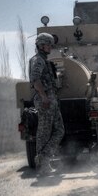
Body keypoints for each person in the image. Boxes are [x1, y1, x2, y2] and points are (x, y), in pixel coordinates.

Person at [29, 33, 65, 175]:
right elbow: (35, 79)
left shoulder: (44, 60)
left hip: (51, 100)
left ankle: (44, 158)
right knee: (44, 133)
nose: (50, 47)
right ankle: (43, 164)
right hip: (46, 101)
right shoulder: (37, 60)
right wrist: (44, 97)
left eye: (50, 44)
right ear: (41, 45)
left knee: (59, 130)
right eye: (48, 44)